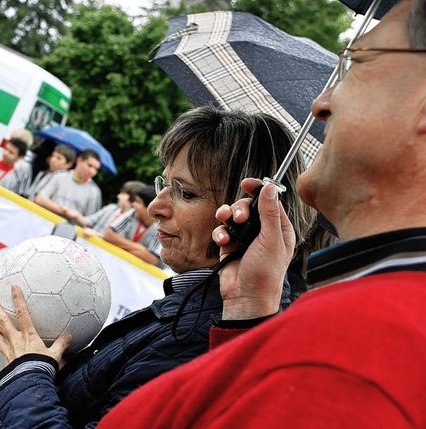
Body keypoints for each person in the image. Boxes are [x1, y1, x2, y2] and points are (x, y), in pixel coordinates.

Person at [96, 1, 426, 427]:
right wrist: (248, 312)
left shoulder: (356, 353)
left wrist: (29, 371)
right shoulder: (357, 327)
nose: (320, 105)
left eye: (357, 64)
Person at [0, 106, 313, 429]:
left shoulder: (199, 338)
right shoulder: (194, 310)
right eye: (165, 184)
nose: (155, 207)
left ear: (247, 217)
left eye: (187, 193)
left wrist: (25, 373)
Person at [102, 184, 163, 267]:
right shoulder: (132, 213)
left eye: (138, 202)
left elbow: (152, 259)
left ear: (150, 209)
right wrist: (138, 248)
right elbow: (109, 235)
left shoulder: (162, 227)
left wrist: (119, 244)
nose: (133, 204)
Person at [33, 149, 103, 220]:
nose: (92, 171)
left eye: (96, 169)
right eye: (89, 166)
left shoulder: (94, 192)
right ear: (79, 160)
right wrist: (63, 211)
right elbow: (39, 199)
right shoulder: (59, 176)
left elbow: (89, 221)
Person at [79, 180, 145, 238]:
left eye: (123, 194)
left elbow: (119, 242)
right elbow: (88, 221)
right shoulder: (111, 208)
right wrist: (74, 214)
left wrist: (97, 235)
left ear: (133, 197)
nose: (118, 196)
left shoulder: (134, 222)